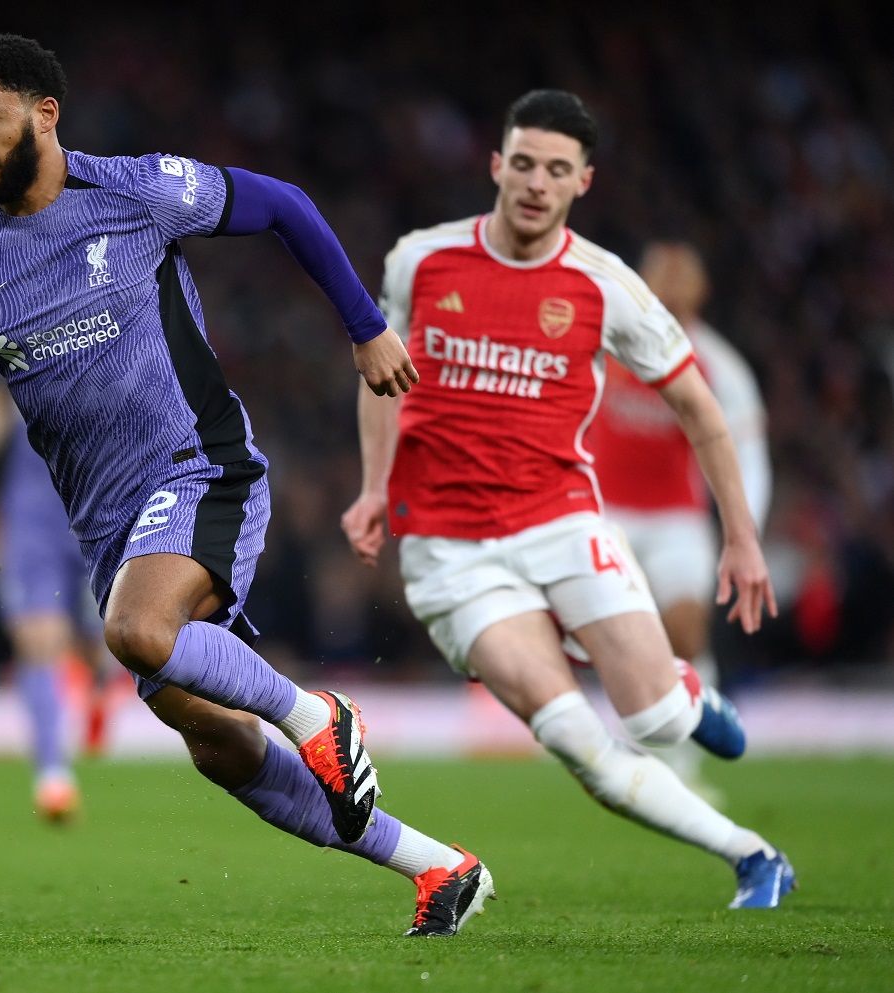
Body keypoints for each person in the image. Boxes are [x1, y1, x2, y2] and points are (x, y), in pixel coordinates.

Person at [0, 34, 493, 936]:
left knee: (137, 631)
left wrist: (366, 327)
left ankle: (317, 710)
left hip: (203, 467)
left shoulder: (136, 193)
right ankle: (436, 866)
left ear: (42, 113)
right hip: (112, 531)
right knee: (219, 742)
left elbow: (285, 205)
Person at [341, 90, 795, 910]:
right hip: (448, 550)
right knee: (576, 739)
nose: (536, 183)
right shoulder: (419, 260)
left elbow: (700, 405)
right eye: (523, 163)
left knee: (654, 718)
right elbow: (382, 377)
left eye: (557, 169)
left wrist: (741, 537)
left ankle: (684, 695)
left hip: (562, 521)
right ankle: (754, 854)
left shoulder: (604, 284)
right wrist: (374, 487)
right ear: (496, 166)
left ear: (583, 181)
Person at [589, 241, 772, 802]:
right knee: (616, 634)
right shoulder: (601, 343)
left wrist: (744, 534)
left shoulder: (719, 366)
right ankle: (628, 752)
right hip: (604, 513)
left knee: (687, 633)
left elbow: (747, 458)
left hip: (676, 519)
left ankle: (682, 763)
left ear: (699, 296)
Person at [0, 376, 121, 822]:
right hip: (32, 515)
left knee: (110, 642)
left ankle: (98, 682)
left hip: (102, 502)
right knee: (38, 638)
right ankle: (53, 774)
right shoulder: (10, 308)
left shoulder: (119, 310)